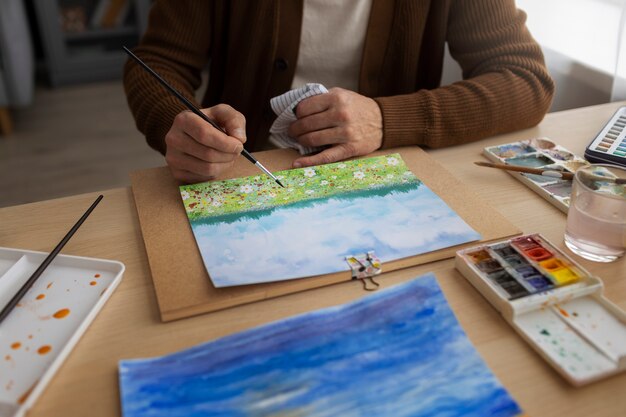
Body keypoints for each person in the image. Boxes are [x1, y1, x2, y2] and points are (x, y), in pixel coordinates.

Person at [124, 0, 555, 183]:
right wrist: (175, 123)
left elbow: (525, 80)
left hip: (383, 173)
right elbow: (157, 63)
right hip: (244, 170)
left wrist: (386, 119)